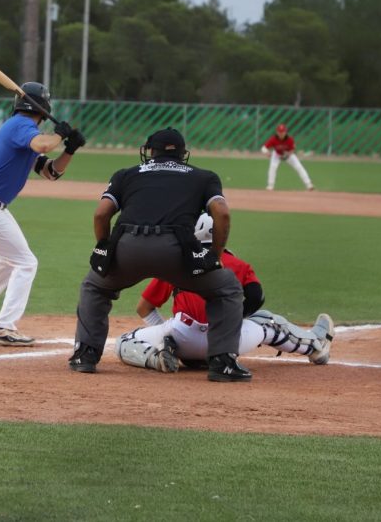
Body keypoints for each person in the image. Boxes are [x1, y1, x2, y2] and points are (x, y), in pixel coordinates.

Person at [68, 127, 250, 382]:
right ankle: (223, 362)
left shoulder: (126, 174)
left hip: (128, 248)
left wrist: (104, 247)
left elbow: (101, 214)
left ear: (149, 152)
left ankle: (84, 355)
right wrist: (215, 255)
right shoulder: (203, 176)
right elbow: (222, 213)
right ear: (183, 154)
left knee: (93, 287)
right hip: (176, 252)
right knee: (227, 288)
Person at [118, 213, 333, 373]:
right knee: (267, 322)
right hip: (229, 341)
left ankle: (157, 358)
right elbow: (256, 297)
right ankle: (315, 346)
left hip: (183, 337)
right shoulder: (238, 264)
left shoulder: (175, 262)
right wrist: (232, 321)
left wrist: (167, 338)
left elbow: (143, 307)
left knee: (124, 341)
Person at [0, 82, 86, 347]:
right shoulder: (21, 125)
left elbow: (51, 172)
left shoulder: (25, 132)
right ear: (43, 106)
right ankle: (4, 327)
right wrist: (59, 135)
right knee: (26, 262)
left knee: (12, 257)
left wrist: (69, 150)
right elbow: (42, 145)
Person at [262, 123, 315, 191]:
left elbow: (292, 150)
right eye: (279, 132)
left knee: (299, 167)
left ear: (286, 132)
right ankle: (270, 186)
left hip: (288, 154)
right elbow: (263, 148)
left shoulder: (290, 139)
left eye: (283, 132)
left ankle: (309, 184)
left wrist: (288, 154)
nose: (281, 133)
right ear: (277, 132)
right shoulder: (273, 139)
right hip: (277, 154)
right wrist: (266, 153)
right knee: (273, 167)